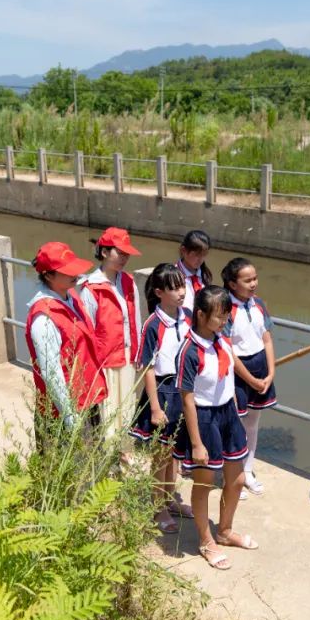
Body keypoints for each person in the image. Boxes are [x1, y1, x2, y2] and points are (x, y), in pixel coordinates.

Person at [172, 285, 258, 570]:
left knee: (236, 479)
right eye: (219, 317)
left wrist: (233, 404)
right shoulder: (190, 351)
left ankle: (224, 530)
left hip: (227, 415)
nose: (224, 321)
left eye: (226, 316)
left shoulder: (221, 341)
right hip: (204, 419)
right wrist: (197, 443)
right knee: (204, 483)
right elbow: (186, 398)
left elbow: (227, 375)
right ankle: (205, 539)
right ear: (200, 315)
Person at [23, 242, 105, 450]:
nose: (75, 274)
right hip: (64, 410)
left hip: (86, 400)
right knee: (74, 474)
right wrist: (70, 418)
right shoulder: (44, 317)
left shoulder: (71, 298)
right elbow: (51, 373)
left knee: (93, 466)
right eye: (67, 271)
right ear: (49, 276)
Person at [131, 263, 194, 533]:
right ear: (158, 292)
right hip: (162, 391)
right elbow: (148, 368)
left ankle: (169, 500)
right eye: (174, 287)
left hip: (183, 390)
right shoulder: (153, 325)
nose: (181, 292)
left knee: (174, 455)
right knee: (160, 455)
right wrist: (155, 408)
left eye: (183, 285)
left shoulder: (188, 316)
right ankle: (157, 507)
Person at [221, 257, 276, 499]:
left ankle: (248, 470)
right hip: (237, 370)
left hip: (260, 365)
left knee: (253, 422)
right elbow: (227, 350)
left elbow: (267, 339)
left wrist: (270, 373)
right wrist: (250, 379)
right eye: (247, 280)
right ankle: (232, 477)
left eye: (255, 278)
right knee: (234, 425)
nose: (253, 283)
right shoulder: (225, 308)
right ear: (232, 284)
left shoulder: (259, 304)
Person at [82, 227, 143, 446]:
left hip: (126, 357)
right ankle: (106, 463)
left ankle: (123, 455)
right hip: (104, 361)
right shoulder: (90, 288)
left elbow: (135, 320)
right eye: (120, 253)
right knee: (106, 413)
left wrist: (137, 353)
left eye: (127, 254)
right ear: (105, 252)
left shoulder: (128, 282)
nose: (124, 258)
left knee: (125, 411)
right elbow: (87, 334)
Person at [176, 229, 213, 313]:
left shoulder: (205, 275)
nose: (201, 259)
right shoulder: (173, 276)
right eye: (196, 254)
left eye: (204, 255)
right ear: (183, 250)